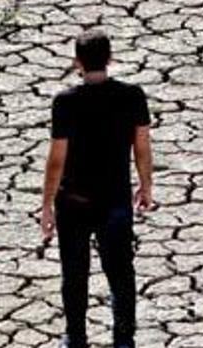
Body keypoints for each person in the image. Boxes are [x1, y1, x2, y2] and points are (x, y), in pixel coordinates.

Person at [39, 28, 156, 348]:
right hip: (115, 200)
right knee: (121, 274)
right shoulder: (132, 96)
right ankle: (123, 340)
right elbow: (142, 148)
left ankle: (76, 338)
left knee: (75, 274)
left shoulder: (65, 102)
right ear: (110, 59)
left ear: (77, 62)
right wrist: (146, 186)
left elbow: (56, 159)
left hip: (73, 201)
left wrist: (47, 204)